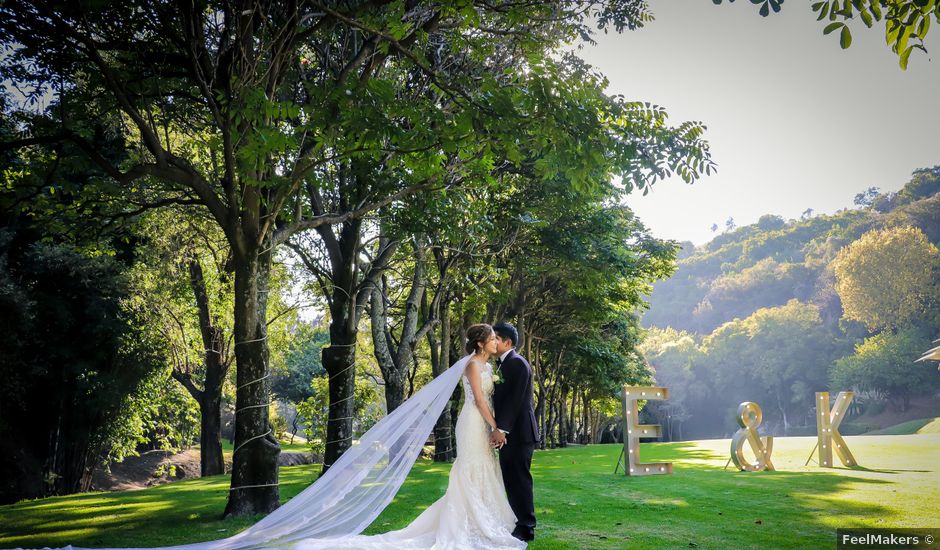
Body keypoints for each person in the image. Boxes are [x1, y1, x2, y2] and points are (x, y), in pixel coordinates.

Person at [490, 321, 539, 542]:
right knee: (511, 479)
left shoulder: (517, 363)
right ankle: (516, 522)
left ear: (507, 342)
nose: (492, 342)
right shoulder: (502, 364)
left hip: (519, 432)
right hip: (511, 433)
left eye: (495, 338)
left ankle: (527, 526)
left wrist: (501, 429)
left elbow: (515, 401)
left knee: (520, 479)